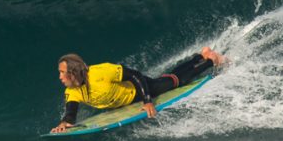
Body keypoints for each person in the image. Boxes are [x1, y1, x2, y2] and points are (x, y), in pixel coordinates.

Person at [50, 47, 226, 133]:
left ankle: (210, 60)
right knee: (170, 78)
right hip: (124, 103)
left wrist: (147, 100)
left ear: (73, 73)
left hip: (140, 90)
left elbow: (135, 76)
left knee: (174, 81)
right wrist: (65, 123)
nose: (59, 77)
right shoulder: (72, 91)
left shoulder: (102, 72)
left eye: (62, 73)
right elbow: (71, 111)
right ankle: (200, 56)